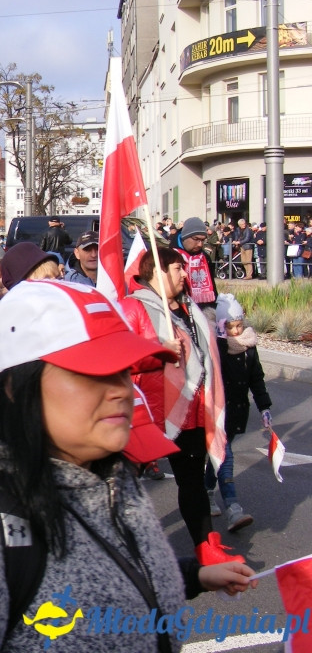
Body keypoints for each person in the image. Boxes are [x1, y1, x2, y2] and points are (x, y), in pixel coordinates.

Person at [0, 279, 257, 652]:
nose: (122, 390)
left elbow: (111, 566)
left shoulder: (107, 471)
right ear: (15, 385)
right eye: (93, 372)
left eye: (125, 370)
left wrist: (191, 576)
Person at [119, 247, 243, 564]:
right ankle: (121, 552)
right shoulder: (132, 308)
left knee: (192, 484)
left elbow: (204, 356)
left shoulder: (189, 307)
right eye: (177, 268)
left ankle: (206, 548)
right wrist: (157, 349)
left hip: (191, 410)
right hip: (149, 413)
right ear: (156, 272)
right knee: (125, 486)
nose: (184, 274)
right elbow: (121, 358)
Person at [206, 293, 272, 533]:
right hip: (217, 412)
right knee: (225, 455)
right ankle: (234, 508)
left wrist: (264, 407)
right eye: (230, 326)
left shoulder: (249, 349)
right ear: (221, 326)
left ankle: (207, 492)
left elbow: (257, 379)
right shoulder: (216, 349)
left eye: (239, 325)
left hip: (237, 413)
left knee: (218, 456)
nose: (236, 331)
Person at [173, 216, 217, 309]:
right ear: (185, 237)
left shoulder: (205, 258)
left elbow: (213, 288)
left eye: (203, 240)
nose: (200, 244)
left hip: (204, 309)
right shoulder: (170, 256)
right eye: (196, 239)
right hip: (179, 308)